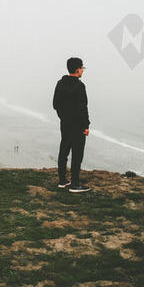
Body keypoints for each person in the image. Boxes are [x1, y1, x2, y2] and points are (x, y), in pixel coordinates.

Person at [52, 57, 92, 193]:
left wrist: (63, 117)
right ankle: (74, 184)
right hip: (78, 125)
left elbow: (55, 104)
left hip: (65, 123)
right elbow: (83, 108)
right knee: (77, 154)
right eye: (82, 68)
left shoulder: (60, 83)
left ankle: (62, 180)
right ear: (77, 69)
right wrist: (86, 126)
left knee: (64, 151)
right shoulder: (80, 86)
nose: (83, 70)